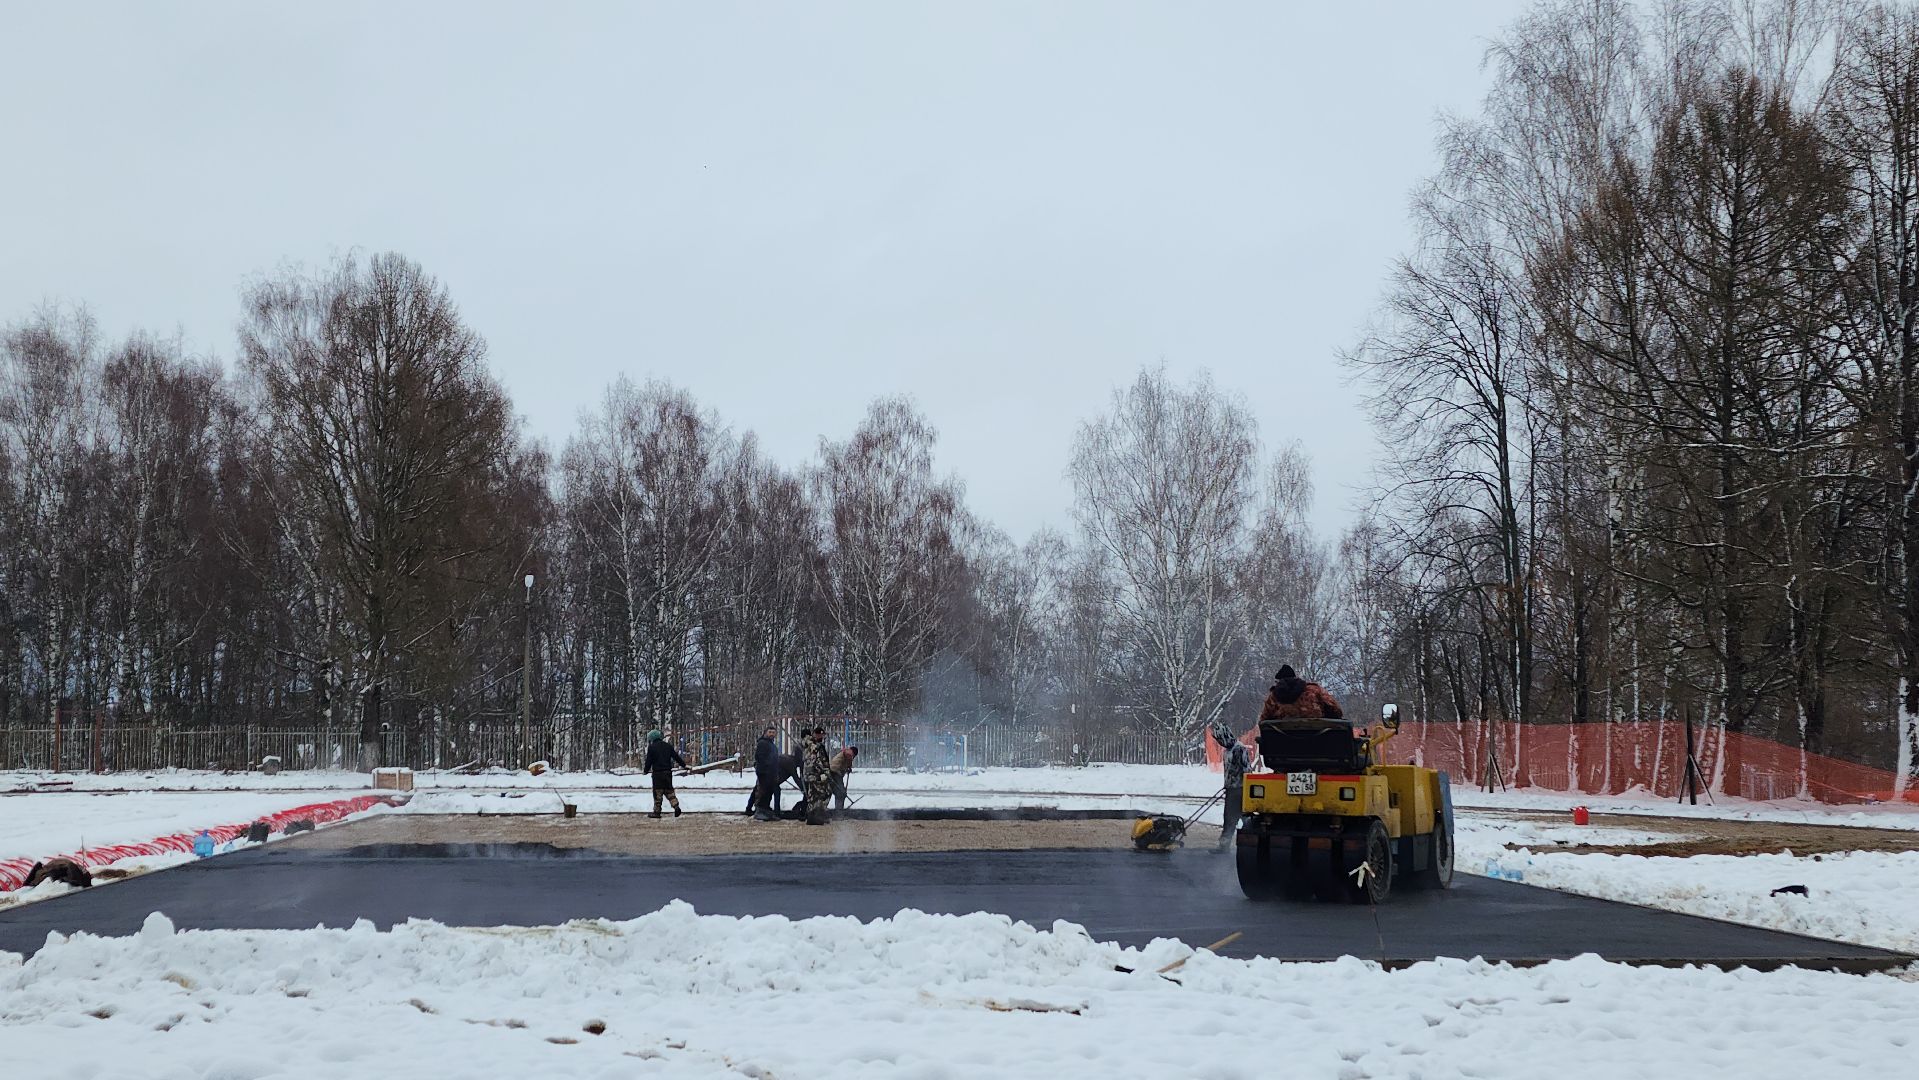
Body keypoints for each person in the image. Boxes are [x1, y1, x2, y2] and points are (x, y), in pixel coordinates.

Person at [1207, 717, 1255, 853]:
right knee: (1230, 818)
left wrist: (1237, 783)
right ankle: (1224, 846)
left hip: (1240, 790)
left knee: (1242, 818)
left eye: (1221, 739)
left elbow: (1246, 771)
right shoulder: (1227, 750)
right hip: (1231, 789)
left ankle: (1249, 845)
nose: (1220, 743)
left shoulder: (1239, 749)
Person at [1259, 664, 1343, 722]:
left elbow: (1264, 721)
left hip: (1284, 743)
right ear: (1295, 678)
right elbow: (1336, 711)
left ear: (1279, 681)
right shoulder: (1315, 690)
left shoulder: (1273, 697)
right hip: (1319, 741)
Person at [643, 729, 688, 818]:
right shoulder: (668, 746)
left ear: (652, 738)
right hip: (667, 773)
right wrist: (684, 765)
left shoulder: (652, 747)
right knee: (669, 791)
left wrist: (645, 770)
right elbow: (676, 757)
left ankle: (657, 812)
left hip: (657, 774)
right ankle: (676, 806)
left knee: (658, 793)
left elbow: (649, 761)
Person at [801, 727, 833, 825]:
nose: (821, 736)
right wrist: (823, 773)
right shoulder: (813, 746)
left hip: (813, 774)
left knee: (814, 795)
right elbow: (816, 761)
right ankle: (816, 816)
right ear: (814, 734)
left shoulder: (813, 745)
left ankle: (814, 816)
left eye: (822, 734)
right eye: (819, 734)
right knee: (821, 794)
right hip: (815, 774)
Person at [747, 726, 780, 818]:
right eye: (770, 732)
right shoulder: (763, 743)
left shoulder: (771, 745)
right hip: (765, 773)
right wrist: (764, 771)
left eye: (773, 732)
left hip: (771, 773)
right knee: (762, 792)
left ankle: (765, 810)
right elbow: (760, 758)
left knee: (768, 793)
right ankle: (760, 811)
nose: (772, 734)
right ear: (765, 733)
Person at [829, 745, 858, 810]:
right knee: (840, 793)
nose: (852, 757)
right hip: (834, 774)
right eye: (852, 755)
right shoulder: (844, 755)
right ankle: (838, 810)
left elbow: (848, 763)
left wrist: (848, 768)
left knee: (841, 793)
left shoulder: (849, 756)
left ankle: (839, 809)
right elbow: (833, 768)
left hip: (838, 775)